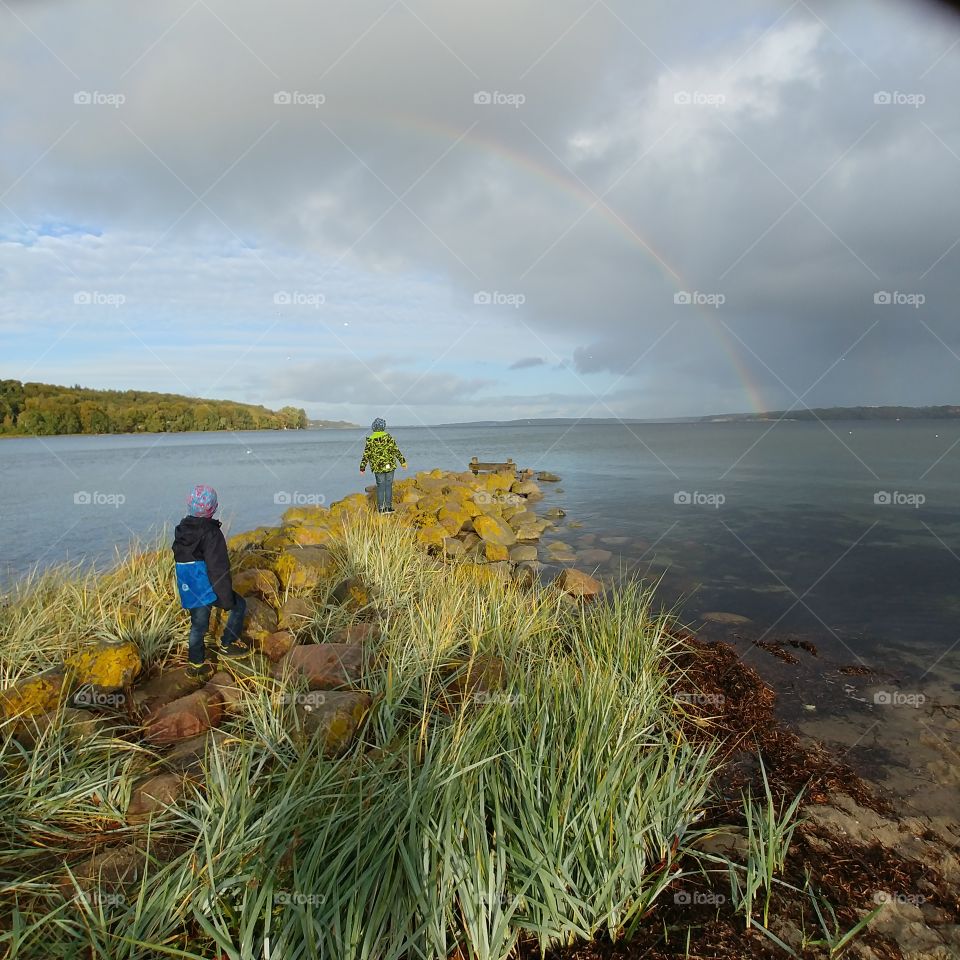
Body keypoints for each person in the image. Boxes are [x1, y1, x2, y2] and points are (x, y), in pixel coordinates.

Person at [172, 484, 251, 682]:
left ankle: (195, 664)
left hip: (189, 586)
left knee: (198, 626)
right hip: (206, 585)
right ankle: (227, 644)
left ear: (189, 505)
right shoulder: (211, 534)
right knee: (239, 605)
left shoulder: (182, 529)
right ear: (214, 508)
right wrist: (225, 599)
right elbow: (218, 568)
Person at [359, 417, 407, 513]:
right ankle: (388, 507)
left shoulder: (370, 440)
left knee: (380, 487)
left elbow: (366, 454)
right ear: (383, 427)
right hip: (389, 465)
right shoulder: (388, 437)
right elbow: (395, 450)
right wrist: (403, 462)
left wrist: (362, 467)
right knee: (388, 486)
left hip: (378, 467)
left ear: (373, 427)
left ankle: (381, 509)